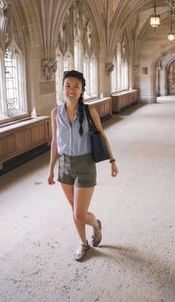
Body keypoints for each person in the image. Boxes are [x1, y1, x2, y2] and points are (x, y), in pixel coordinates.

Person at [47, 70, 118, 261]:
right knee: (74, 210)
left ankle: (96, 225)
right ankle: (83, 243)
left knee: (79, 213)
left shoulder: (89, 111)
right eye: (67, 86)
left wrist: (112, 162)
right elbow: (55, 142)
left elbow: (102, 135)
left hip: (86, 164)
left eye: (75, 86)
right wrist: (51, 169)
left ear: (82, 89)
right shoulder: (55, 113)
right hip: (65, 165)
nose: (71, 90)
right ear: (62, 88)